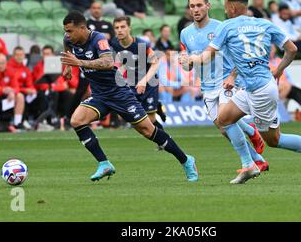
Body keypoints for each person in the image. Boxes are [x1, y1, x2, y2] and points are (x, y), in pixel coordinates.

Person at [183, 0, 301, 185]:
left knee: (275, 140)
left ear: (232, 7)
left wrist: (192, 58)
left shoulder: (226, 26)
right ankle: (249, 162)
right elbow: (292, 49)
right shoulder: (264, 24)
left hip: (258, 91)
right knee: (223, 119)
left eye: (225, 7)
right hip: (258, 86)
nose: (225, 11)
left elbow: (206, 55)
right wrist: (279, 70)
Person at [59, 11, 198, 182]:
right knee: (77, 121)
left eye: (70, 31)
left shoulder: (98, 38)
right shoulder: (68, 40)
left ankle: (186, 160)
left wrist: (79, 63)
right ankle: (104, 163)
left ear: (82, 28)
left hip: (119, 93)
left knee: (148, 130)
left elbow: (108, 62)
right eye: (66, 31)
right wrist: (66, 67)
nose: (67, 34)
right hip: (99, 95)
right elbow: (66, 50)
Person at [180, 0, 269, 178]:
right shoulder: (185, 33)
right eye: (192, 6)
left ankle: (248, 162)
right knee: (224, 129)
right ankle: (256, 154)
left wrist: (233, 76)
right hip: (206, 86)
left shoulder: (221, 27)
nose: (195, 9)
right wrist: (185, 62)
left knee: (225, 119)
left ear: (208, 6)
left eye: (199, 5)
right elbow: (188, 65)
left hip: (227, 81)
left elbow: (240, 54)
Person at [110, 16, 163, 130]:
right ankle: (156, 107)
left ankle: (162, 139)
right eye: (117, 27)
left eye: (123, 27)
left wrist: (144, 81)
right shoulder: (114, 44)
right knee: (123, 116)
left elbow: (155, 63)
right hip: (131, 83)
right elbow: (120, 64)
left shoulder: (141, 44)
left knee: (151, 119)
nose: (119, 30)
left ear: (129, 28)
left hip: (149, 82)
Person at [269, 44, 301, 116]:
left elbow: (287, 76)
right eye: (269, 49)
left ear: (275, 50)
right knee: (294, 91)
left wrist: (289, 83)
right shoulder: (266, 63)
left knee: (298, 91)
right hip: (274, 87)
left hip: (285, 86)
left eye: (272, 49)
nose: (271, 51)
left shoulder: (279, 60)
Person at [7, 46, 39, 125]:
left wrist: (32, 89)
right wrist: (25, 90)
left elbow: (29, 83)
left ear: (24, 56)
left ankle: (37, 120)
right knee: (21, 96)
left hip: (21, 91)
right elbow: (13, 85)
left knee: (37, 95)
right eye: (17, 55)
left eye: (21, 55)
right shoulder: (8, 68)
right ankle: (18, 122)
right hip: (12, 92)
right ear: (13, 56)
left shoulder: (25, 69)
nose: (19, 57)